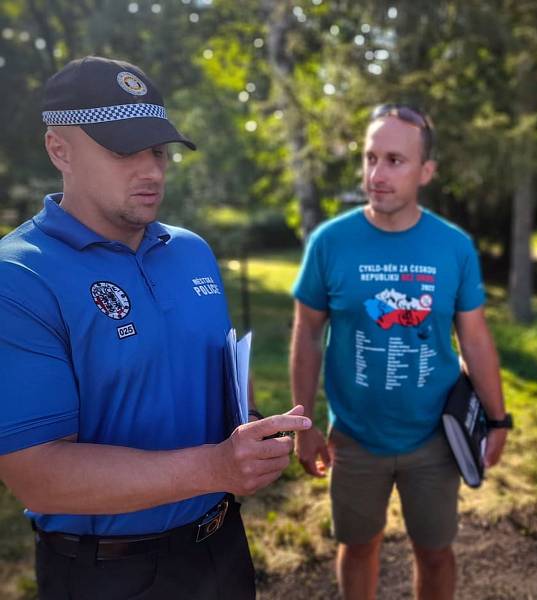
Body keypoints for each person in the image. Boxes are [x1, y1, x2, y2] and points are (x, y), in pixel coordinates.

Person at [0, 56, 311, 600]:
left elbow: (216, 371)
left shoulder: (191, 251)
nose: (152, 170)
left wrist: (252, 433)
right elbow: (35, 473)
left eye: (160, 151)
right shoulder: (19, 274)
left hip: (221, 546)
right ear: (58, 148)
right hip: (107, 575)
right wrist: (216, 467)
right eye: (125, 150)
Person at [290, 104, 511, 599]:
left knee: (434, 552)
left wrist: (498, 420)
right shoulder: (330, 242)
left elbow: (475, 337)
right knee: (359, 545)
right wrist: (302, 427)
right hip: (353, 439)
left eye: (394, 160)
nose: (376, 174)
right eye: (370, 158)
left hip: (433, 437)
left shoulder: (451, 246)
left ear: (426, 171)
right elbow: (306, 333)